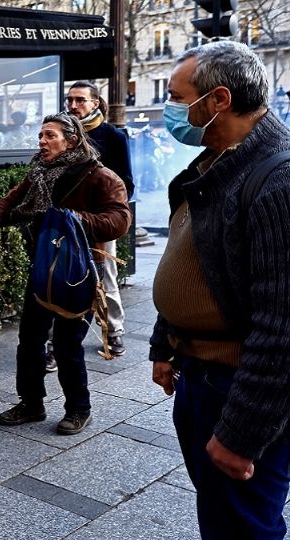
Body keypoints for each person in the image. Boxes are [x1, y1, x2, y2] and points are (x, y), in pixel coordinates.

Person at [149, 41, 290, 539]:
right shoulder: (213, 163)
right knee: (220, 512)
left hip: (238, 388)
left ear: (218, 101)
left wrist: (241, 434)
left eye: (175, 95)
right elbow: (194, 261)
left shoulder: (278, 180)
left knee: (242, 526)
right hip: (199, 374)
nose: (168, 108)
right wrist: (166, 342)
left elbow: (283, 326)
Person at [0, 112, 130, 435]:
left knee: (66, 342)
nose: (42, 142)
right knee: (30, 338)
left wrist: (74, 219)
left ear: (71, 140)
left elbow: (120, 220)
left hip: (81, 270)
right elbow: (14, 198)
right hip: (44, 266)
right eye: (40, 136)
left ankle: (79, 409)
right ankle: (31, 403)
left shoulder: (100, 176)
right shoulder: (40, 172)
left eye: (50, 136)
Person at [66, 80, 134, 361]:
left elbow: (127, 183)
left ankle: (114, 332)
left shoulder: (113, 136)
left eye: (80, 100)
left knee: (105, 278)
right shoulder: (64, 134)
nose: (73, 105)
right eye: (70, 100)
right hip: (68, 222)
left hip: (100, 223)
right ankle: (57, 341)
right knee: (63, 276)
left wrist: (108, 212)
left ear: (95, 103)